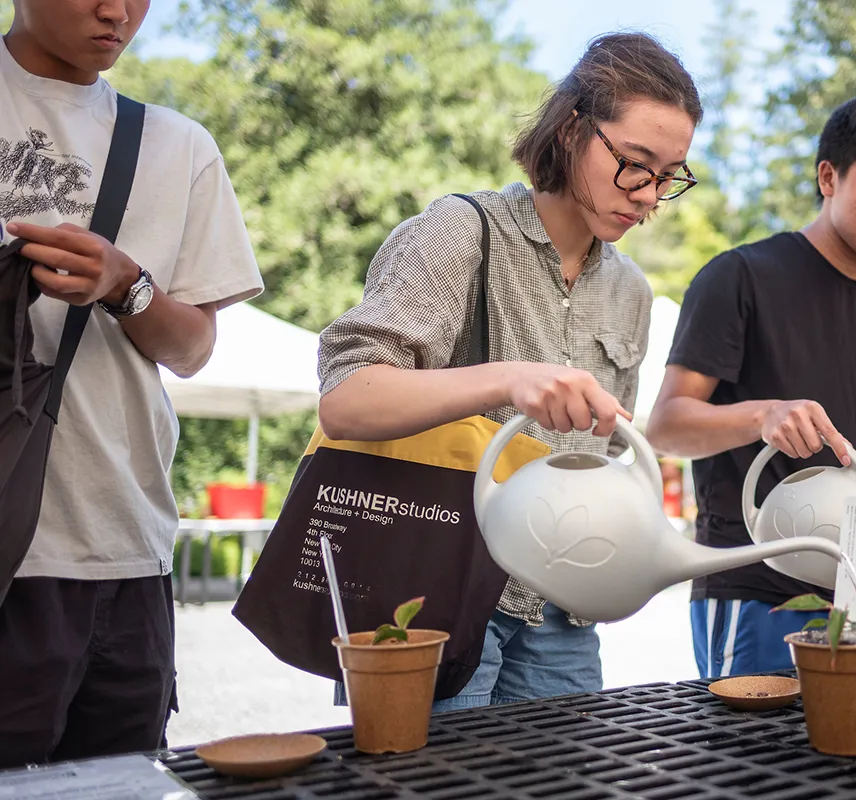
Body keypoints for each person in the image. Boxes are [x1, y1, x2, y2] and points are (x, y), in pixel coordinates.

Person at [317, 32, 703, 711]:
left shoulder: (632, 293)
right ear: (572, 129)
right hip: (439, 594)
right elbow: (347, 399)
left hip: (565, 616)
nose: (649, 195)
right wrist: (506, 379)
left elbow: (603, 460)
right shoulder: (462, 230)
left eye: (670, 175)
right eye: (635, 164)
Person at [0, 0, 263, 767]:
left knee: (122, 784)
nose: (118, 11)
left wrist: (128, 286)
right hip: (12, 558)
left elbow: (194, 349)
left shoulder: (178, 146)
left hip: (130, 553)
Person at [645, 86, 856, 679]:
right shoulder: (738, 277)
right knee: (757, 772)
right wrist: (759, 414)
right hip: (753, 595)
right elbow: (666, 425)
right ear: (829, 176)